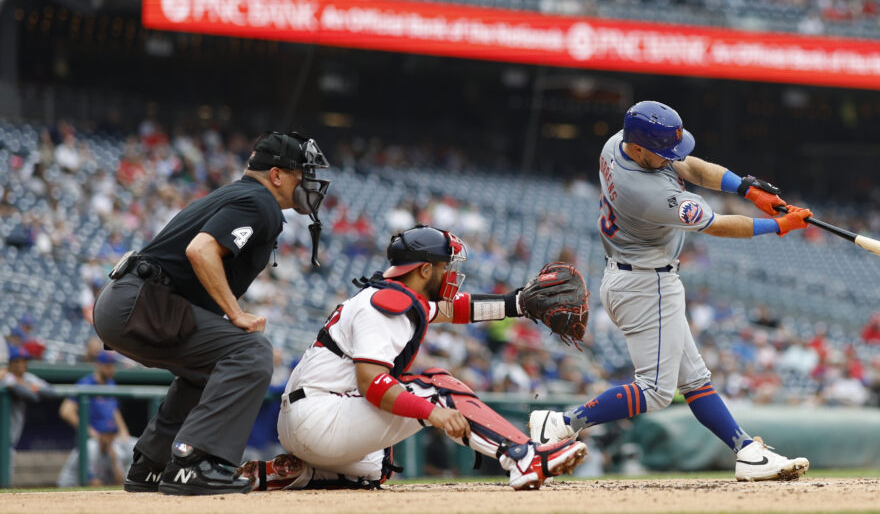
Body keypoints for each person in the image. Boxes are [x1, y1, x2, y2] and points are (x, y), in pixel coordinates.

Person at [530, 100, 810, 481]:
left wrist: (746, 189)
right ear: (641, 148)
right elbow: (717, 225)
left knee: (695, 380)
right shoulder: (646, 192)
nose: (670, 158)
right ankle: (562, 422)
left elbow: (690, 166)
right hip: (647, 283)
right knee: (656, 391)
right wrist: (777, 226)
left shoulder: (619, 144)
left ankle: (747, 452)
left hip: (634, 276)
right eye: (662, 153)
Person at [240, 225, 587, 491]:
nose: (451, 273)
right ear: (423, 270)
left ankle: (294, 473)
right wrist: (433, 411)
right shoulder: (386, 306)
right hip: (320, 417)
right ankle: (523, 456)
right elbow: (372, 384)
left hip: (309, 418)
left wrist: (516, 304)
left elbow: (456, 309)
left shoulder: (395, 296)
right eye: (444, 266)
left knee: (376, 467)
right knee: (436, 385)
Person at [92, 131, 330, 495]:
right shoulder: (259, 201)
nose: (311, 183)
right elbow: (200, 250)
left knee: (208, 367)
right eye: (304, 173)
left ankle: (152, 465)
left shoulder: (244, 196)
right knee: (251, 351)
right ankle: (194, 462)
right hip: (143, 303)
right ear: (278, 175)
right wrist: (235, 314)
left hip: (133, 301)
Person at [56, 351, 134, 487]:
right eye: (107, 366)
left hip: (111, 436)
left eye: (112, 366)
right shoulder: (86, 383)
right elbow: (66, 411)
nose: (111, 369)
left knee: (135, 447)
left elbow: (114, 410)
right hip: (96, 438)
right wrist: (89, 431)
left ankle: (134, 481)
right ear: (99, 365)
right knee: (93, 462)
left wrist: (123, 431)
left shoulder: (111, 384)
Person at [3, 347, 54, 469]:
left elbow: (51, 391)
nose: (21, 365)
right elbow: (31, 396)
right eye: (17, 362)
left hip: (10, 435)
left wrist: (30, 386)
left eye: (24, 361)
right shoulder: (6, 376)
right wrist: (30, 387)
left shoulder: (27, 378)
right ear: (10, 364)